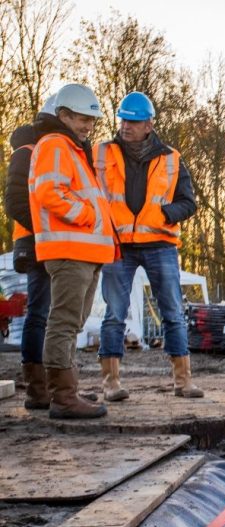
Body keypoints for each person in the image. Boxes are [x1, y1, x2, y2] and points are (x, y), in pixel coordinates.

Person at [95, 91, 202, 400]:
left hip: (160, 243)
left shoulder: (171, 158)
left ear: (149, 125)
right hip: (118, 244)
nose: (126, 126)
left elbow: (188, 202)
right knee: (114, 313)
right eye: (123, 120)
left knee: (173, 312)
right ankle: (111, 383)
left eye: (133, 121)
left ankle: (183, 381)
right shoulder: (102, 153)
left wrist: (164, 214)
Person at [27, 83, 116, 419]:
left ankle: (66, 390)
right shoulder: (55, 145)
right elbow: (49, 192)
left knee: (71, 324)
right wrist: (88, 216)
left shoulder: (70, 147)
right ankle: (63, 398)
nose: (88, 126)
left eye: (91, 121)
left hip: (83, 250)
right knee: (64, 323)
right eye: (82, 119)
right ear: (63, 115)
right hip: (69, 249)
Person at [4, 92, 58, 411]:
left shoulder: (54, 151)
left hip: (57, 242)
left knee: (55, 315)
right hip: (38, 244)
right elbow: (14, 202)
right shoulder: (28, 151)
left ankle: (55, 385)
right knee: (39, 313)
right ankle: (38, 389)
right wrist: (45, 227)